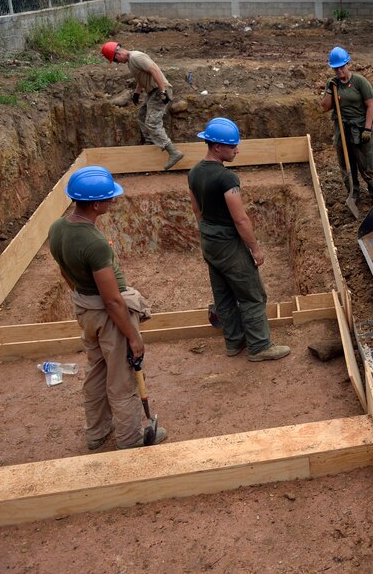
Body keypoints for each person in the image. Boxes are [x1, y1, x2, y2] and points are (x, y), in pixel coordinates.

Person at [48, 166, 168, 450]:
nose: (114, 201)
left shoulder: (57, 228)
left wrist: (83, 300)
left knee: (97, 371)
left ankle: (97, 432)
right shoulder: (95, 243)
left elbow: (66, 273)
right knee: (123, 380)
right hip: (107, 316)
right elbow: (113, 300)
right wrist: (133, 337)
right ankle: (130, 439)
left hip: (85, 310)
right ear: (97, 204)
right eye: (110, 198)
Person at [188, 117, 291, 362]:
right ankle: (260, 346)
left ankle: (234, 342)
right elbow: (240, 219)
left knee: (223, 293)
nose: (237, 149)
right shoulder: (226, 178)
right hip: (228, 244)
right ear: (216, 147)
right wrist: (254, 248)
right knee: (252, 294)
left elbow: (197, 211)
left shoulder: (194, 173)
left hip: (210, 241)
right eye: (232, 146)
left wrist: (208, 233)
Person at [101, 42, 183, 170]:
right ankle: (150, 142)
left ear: (118, 53)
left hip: (158, 90)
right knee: (142, 114)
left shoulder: (136, 57)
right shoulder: (131, 61)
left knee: (152, 123)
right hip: (152, 91)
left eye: (115, 60)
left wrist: (163, 91)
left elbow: (154, 70)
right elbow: (141, 78)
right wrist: (136, 93)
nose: (117, 63)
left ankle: (173, 152)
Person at [320, 46, 373, 199]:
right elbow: (325, 107)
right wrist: (329, 89)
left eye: (341, 67)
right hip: (342, 129)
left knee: (366, 164)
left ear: (348, 64)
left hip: (360, 128)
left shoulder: (360, 82)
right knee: (346, 164)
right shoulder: (333, 83)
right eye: (335, 69)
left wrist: (367, 129)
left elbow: (370, 106)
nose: (339, 71)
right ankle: (353, 193)